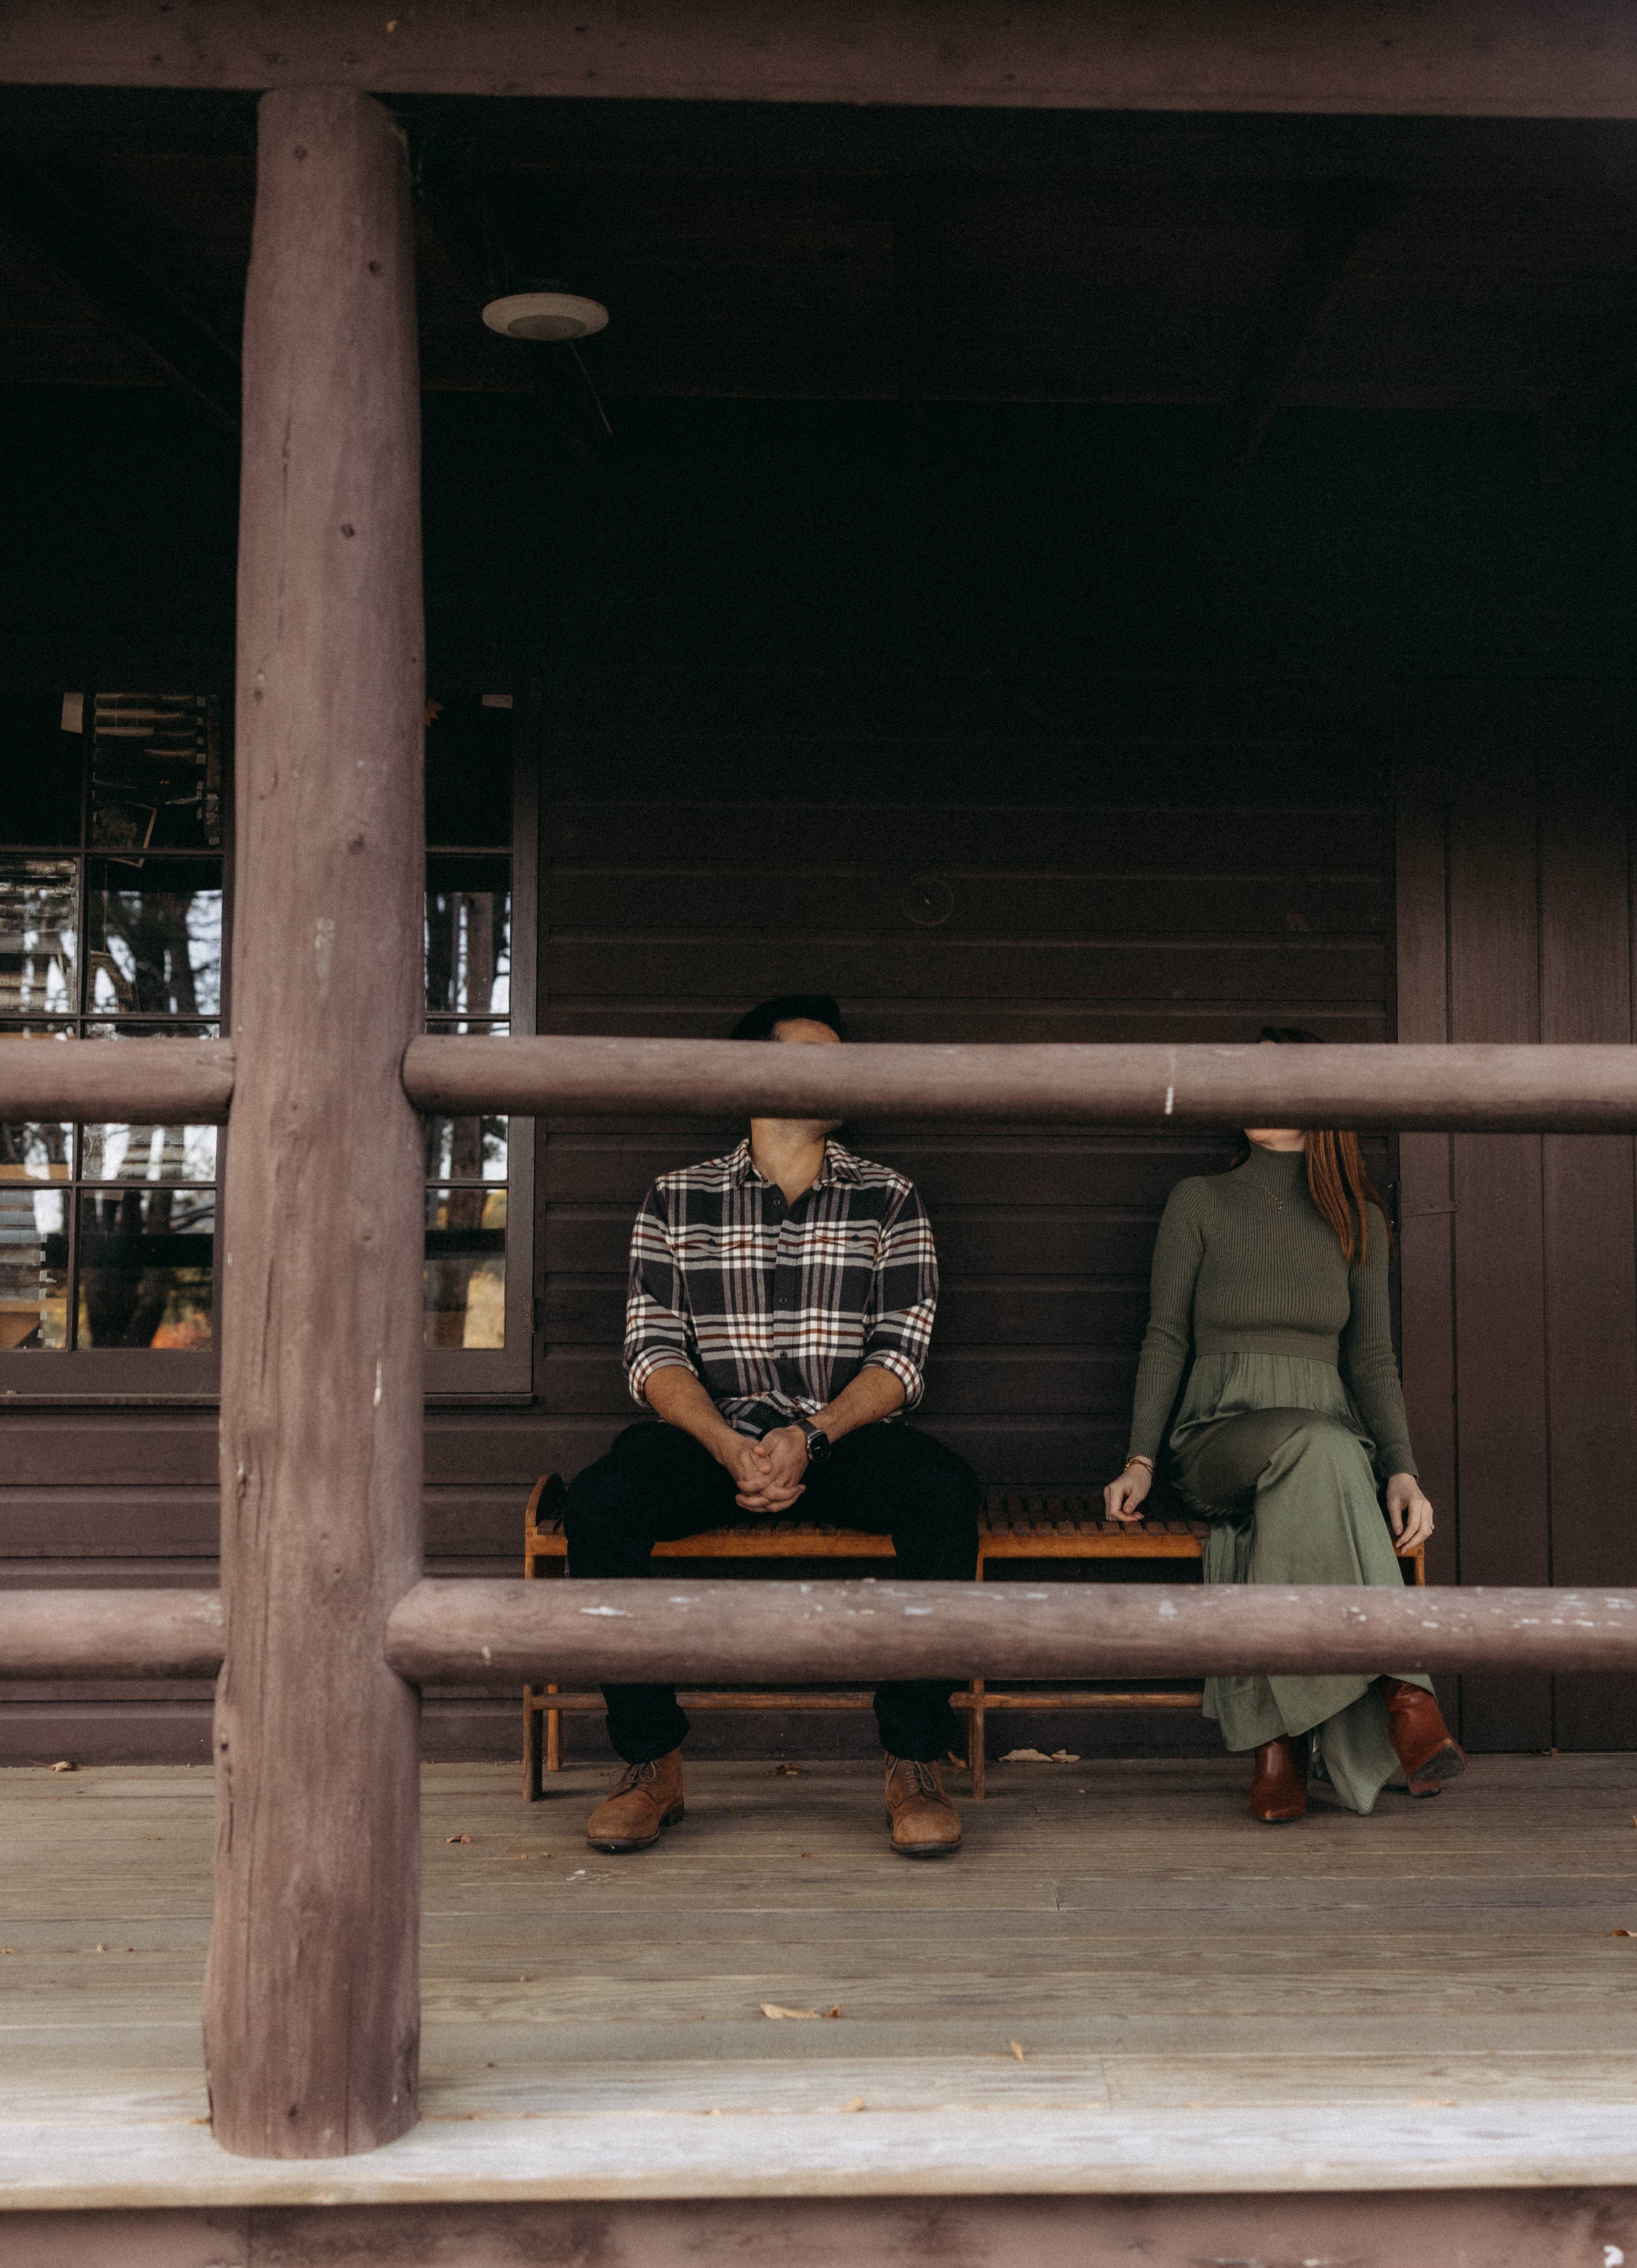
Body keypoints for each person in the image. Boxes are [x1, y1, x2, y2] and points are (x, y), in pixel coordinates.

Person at [562, 993, 981, 1859]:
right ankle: (651, 1764)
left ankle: (914, 1761)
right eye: (813, 1057)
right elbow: (652, 1354)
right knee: (601, 1504)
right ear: (754, 1074)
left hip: (840, 1439)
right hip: (713, 1440)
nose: (842, 1073)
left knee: (943, 1493)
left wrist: (812, 1437)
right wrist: (725, 1443)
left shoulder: (888, 1198)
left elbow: (900, 1360)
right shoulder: (677, 1199)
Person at [1103, 1026, 1466, 1823]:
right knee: (1323, 1453)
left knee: (1321, 1465)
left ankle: (1280, 1747)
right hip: (1218, 1436)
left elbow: (1372, 1360)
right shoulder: (1199, 1201)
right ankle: (1403, 1688)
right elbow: (1165, 1337)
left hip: (1326, 1441)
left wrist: (1403, 1469)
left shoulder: (1360, 1218)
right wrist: (1138, 1459)